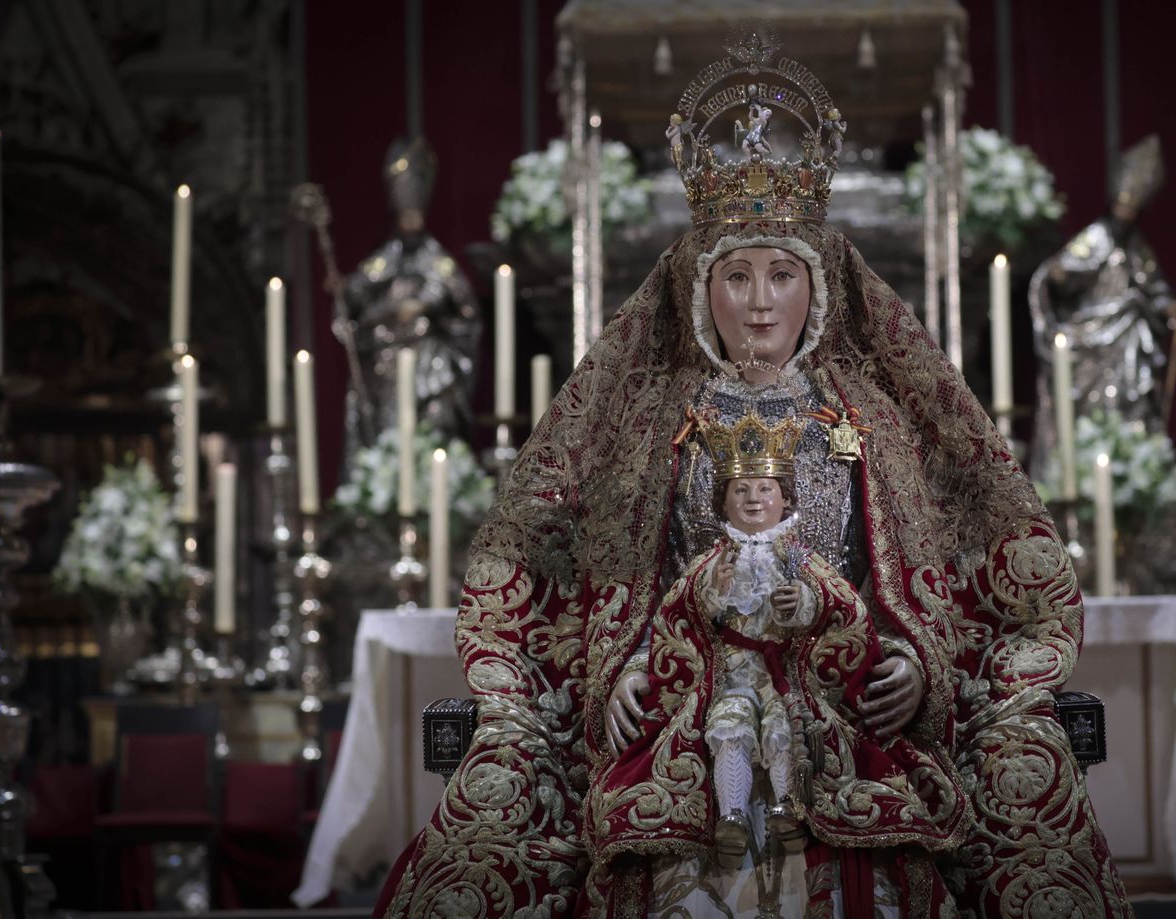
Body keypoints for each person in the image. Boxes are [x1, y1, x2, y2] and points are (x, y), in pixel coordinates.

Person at [375, 40, 1129, 919]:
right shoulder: (655, 422)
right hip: (689, 702)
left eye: (782, 275)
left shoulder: (870, 419)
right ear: (703, 292)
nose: (761, 301)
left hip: (844, 702)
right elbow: (618, 586)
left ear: (819, 288)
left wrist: (916, 666)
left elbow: (927, 579)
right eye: (737, 276)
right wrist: (618, 672)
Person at [598, 411, 964, 876]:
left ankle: (787, 809)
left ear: (784, 498)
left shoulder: (798, 559)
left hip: (793, 677)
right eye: (741, 490)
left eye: (764, 489)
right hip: (726, 674)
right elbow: (677, 609)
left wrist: (808, 607)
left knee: (781, 727)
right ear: (723, 500)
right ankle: (729, 817)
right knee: (729, 726)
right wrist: (656, 647)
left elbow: (845, 605)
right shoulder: (715, 559)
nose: (753, 500)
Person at [1027, 134, 1176, 481]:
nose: (1126, 212)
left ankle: (1128, 470)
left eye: (1133, 207)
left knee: (1129, 402)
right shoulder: (1096, 236)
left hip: (1126, 342)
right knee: (1088, 408)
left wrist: (1168, 306)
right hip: (1091, 340)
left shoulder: (1137, 247)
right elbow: (1065, 271)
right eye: (1123, 204)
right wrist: (1060, 275)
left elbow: (1152, 284)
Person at [339, 136, 481, 462]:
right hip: (385, 365)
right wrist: (346, 291)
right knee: (386, 437)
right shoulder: (383, 259)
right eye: (405, 214)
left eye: (415, 213)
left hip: (427, 363)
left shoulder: (439, 262)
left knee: (433, 427)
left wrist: (424, 306)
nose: (410, 221)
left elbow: (465, 308)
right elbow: (357, 291)